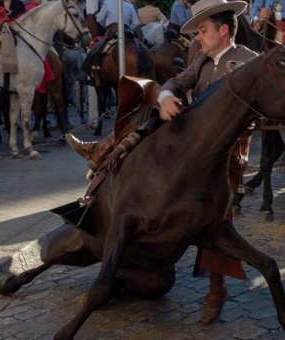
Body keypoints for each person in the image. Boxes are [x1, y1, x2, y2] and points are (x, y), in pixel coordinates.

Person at [67, 0, 255, 323]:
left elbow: (255, 111)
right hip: (189, 145)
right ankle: (107, 152)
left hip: (223, 155)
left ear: (224, 31)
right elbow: (178, 81)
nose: (198, 38)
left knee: (218, 222)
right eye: (197, 32)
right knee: (149, 101)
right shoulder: (200, 58)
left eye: (203, 31)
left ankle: (216, 287)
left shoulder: (248, 63)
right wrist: (167, 96)